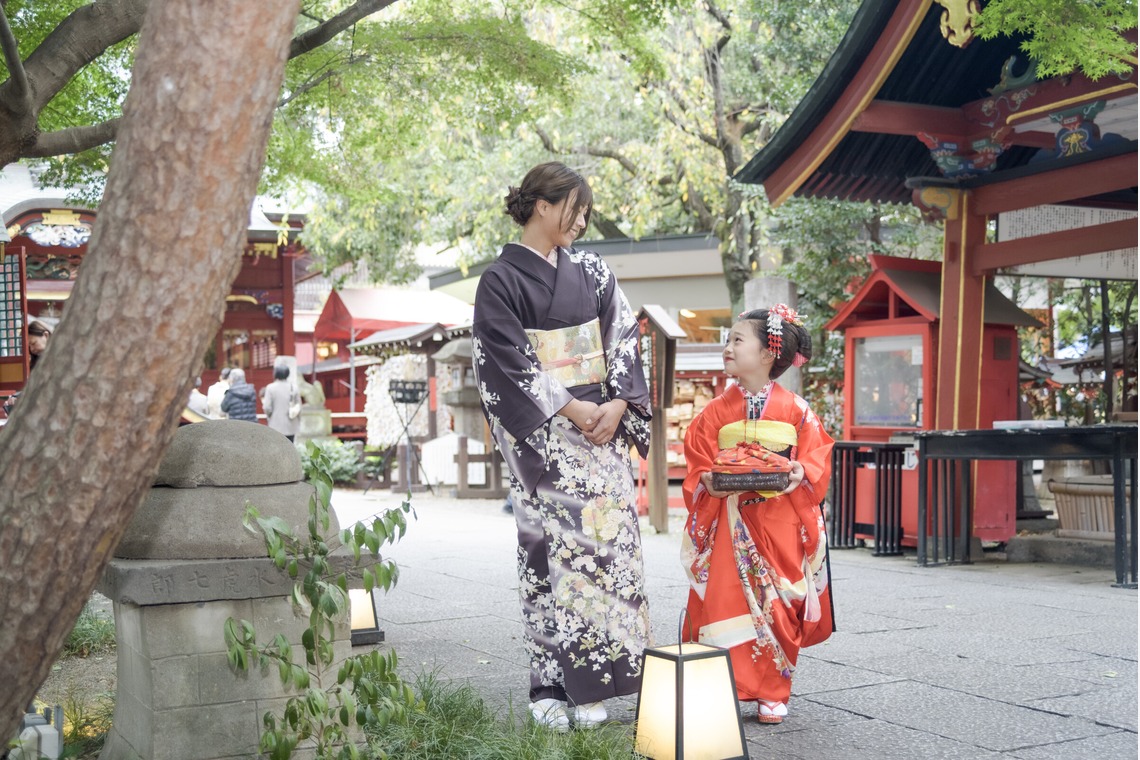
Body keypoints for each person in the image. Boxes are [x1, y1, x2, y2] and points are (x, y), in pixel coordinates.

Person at [471, 161, 653, 732]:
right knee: (548, 553)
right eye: (574, 208)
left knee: (610, 553)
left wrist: (620, 405)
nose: (581, 220)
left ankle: (598, 682)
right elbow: (508, 363)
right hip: (547, 438)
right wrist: (570, 406)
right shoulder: (499, 282)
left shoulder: (594, 271)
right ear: (543, 206)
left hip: (602, 432)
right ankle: (549, 684)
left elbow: (623, 334)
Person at [680, 304, 835, 725]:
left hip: (779, 518)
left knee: (779, 602)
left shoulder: (797, 409)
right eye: (727, 340)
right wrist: (706, 479)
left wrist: (802, 469)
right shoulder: (714, 411)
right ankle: (723, 685)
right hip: (730, 517)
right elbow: (698, 460)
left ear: (768, 354)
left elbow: (816, 453)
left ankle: (772, 689)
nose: (726, 347)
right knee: (724, 599)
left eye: (736, 340)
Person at [261, 364, 300, 441]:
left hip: (275, 424)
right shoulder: (294, 387)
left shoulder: (270, 388)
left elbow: (267, 407)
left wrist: (270, 416)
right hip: (290, 425)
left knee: (276, 447)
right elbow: (298, 406)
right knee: (289, 447)